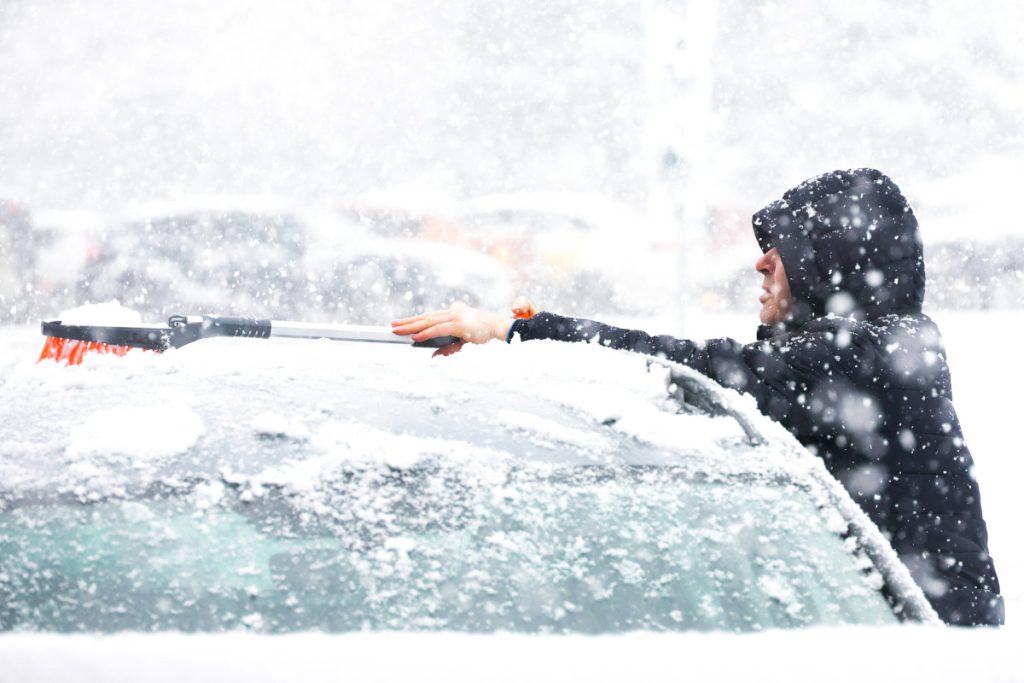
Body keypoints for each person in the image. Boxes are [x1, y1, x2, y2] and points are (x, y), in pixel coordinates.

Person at [391, 168, 1003, 626]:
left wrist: (520, 330)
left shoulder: (866, 357)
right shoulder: (875, 352)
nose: (761, 263)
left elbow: (698, 370)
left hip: (925, 649)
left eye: (786, 247)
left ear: (832, 263)